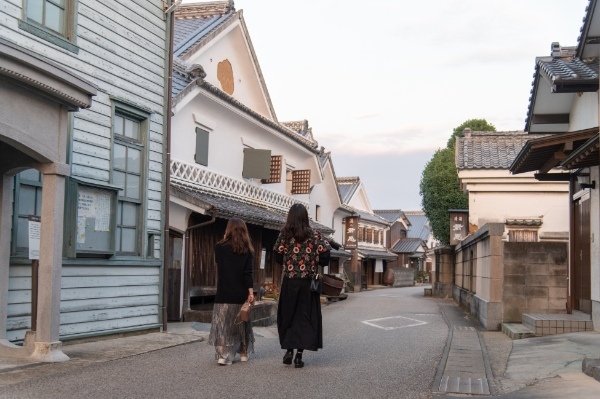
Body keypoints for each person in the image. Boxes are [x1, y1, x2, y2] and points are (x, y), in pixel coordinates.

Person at [274, 204, 332, 368]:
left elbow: (277, 257)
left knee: (288, 315)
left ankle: (289, 350)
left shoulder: (284, 235)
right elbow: (326, 256)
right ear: (306, 217)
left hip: (290, 281)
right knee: (305, 318)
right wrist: (313, 260)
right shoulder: (314, 234)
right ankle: (299, 355)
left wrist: (289, 260)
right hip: (308, 284)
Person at [208, 218, 255, 366]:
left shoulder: (219, 247)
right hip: (240, 293)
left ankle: (223, 355)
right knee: (241, 324)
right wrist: (251, 293)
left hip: (223, 293)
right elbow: (248, 273)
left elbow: (220, 264)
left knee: (222, 325)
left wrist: (223, 240)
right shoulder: (247, 250)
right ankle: (243, 353)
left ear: (228, 230)